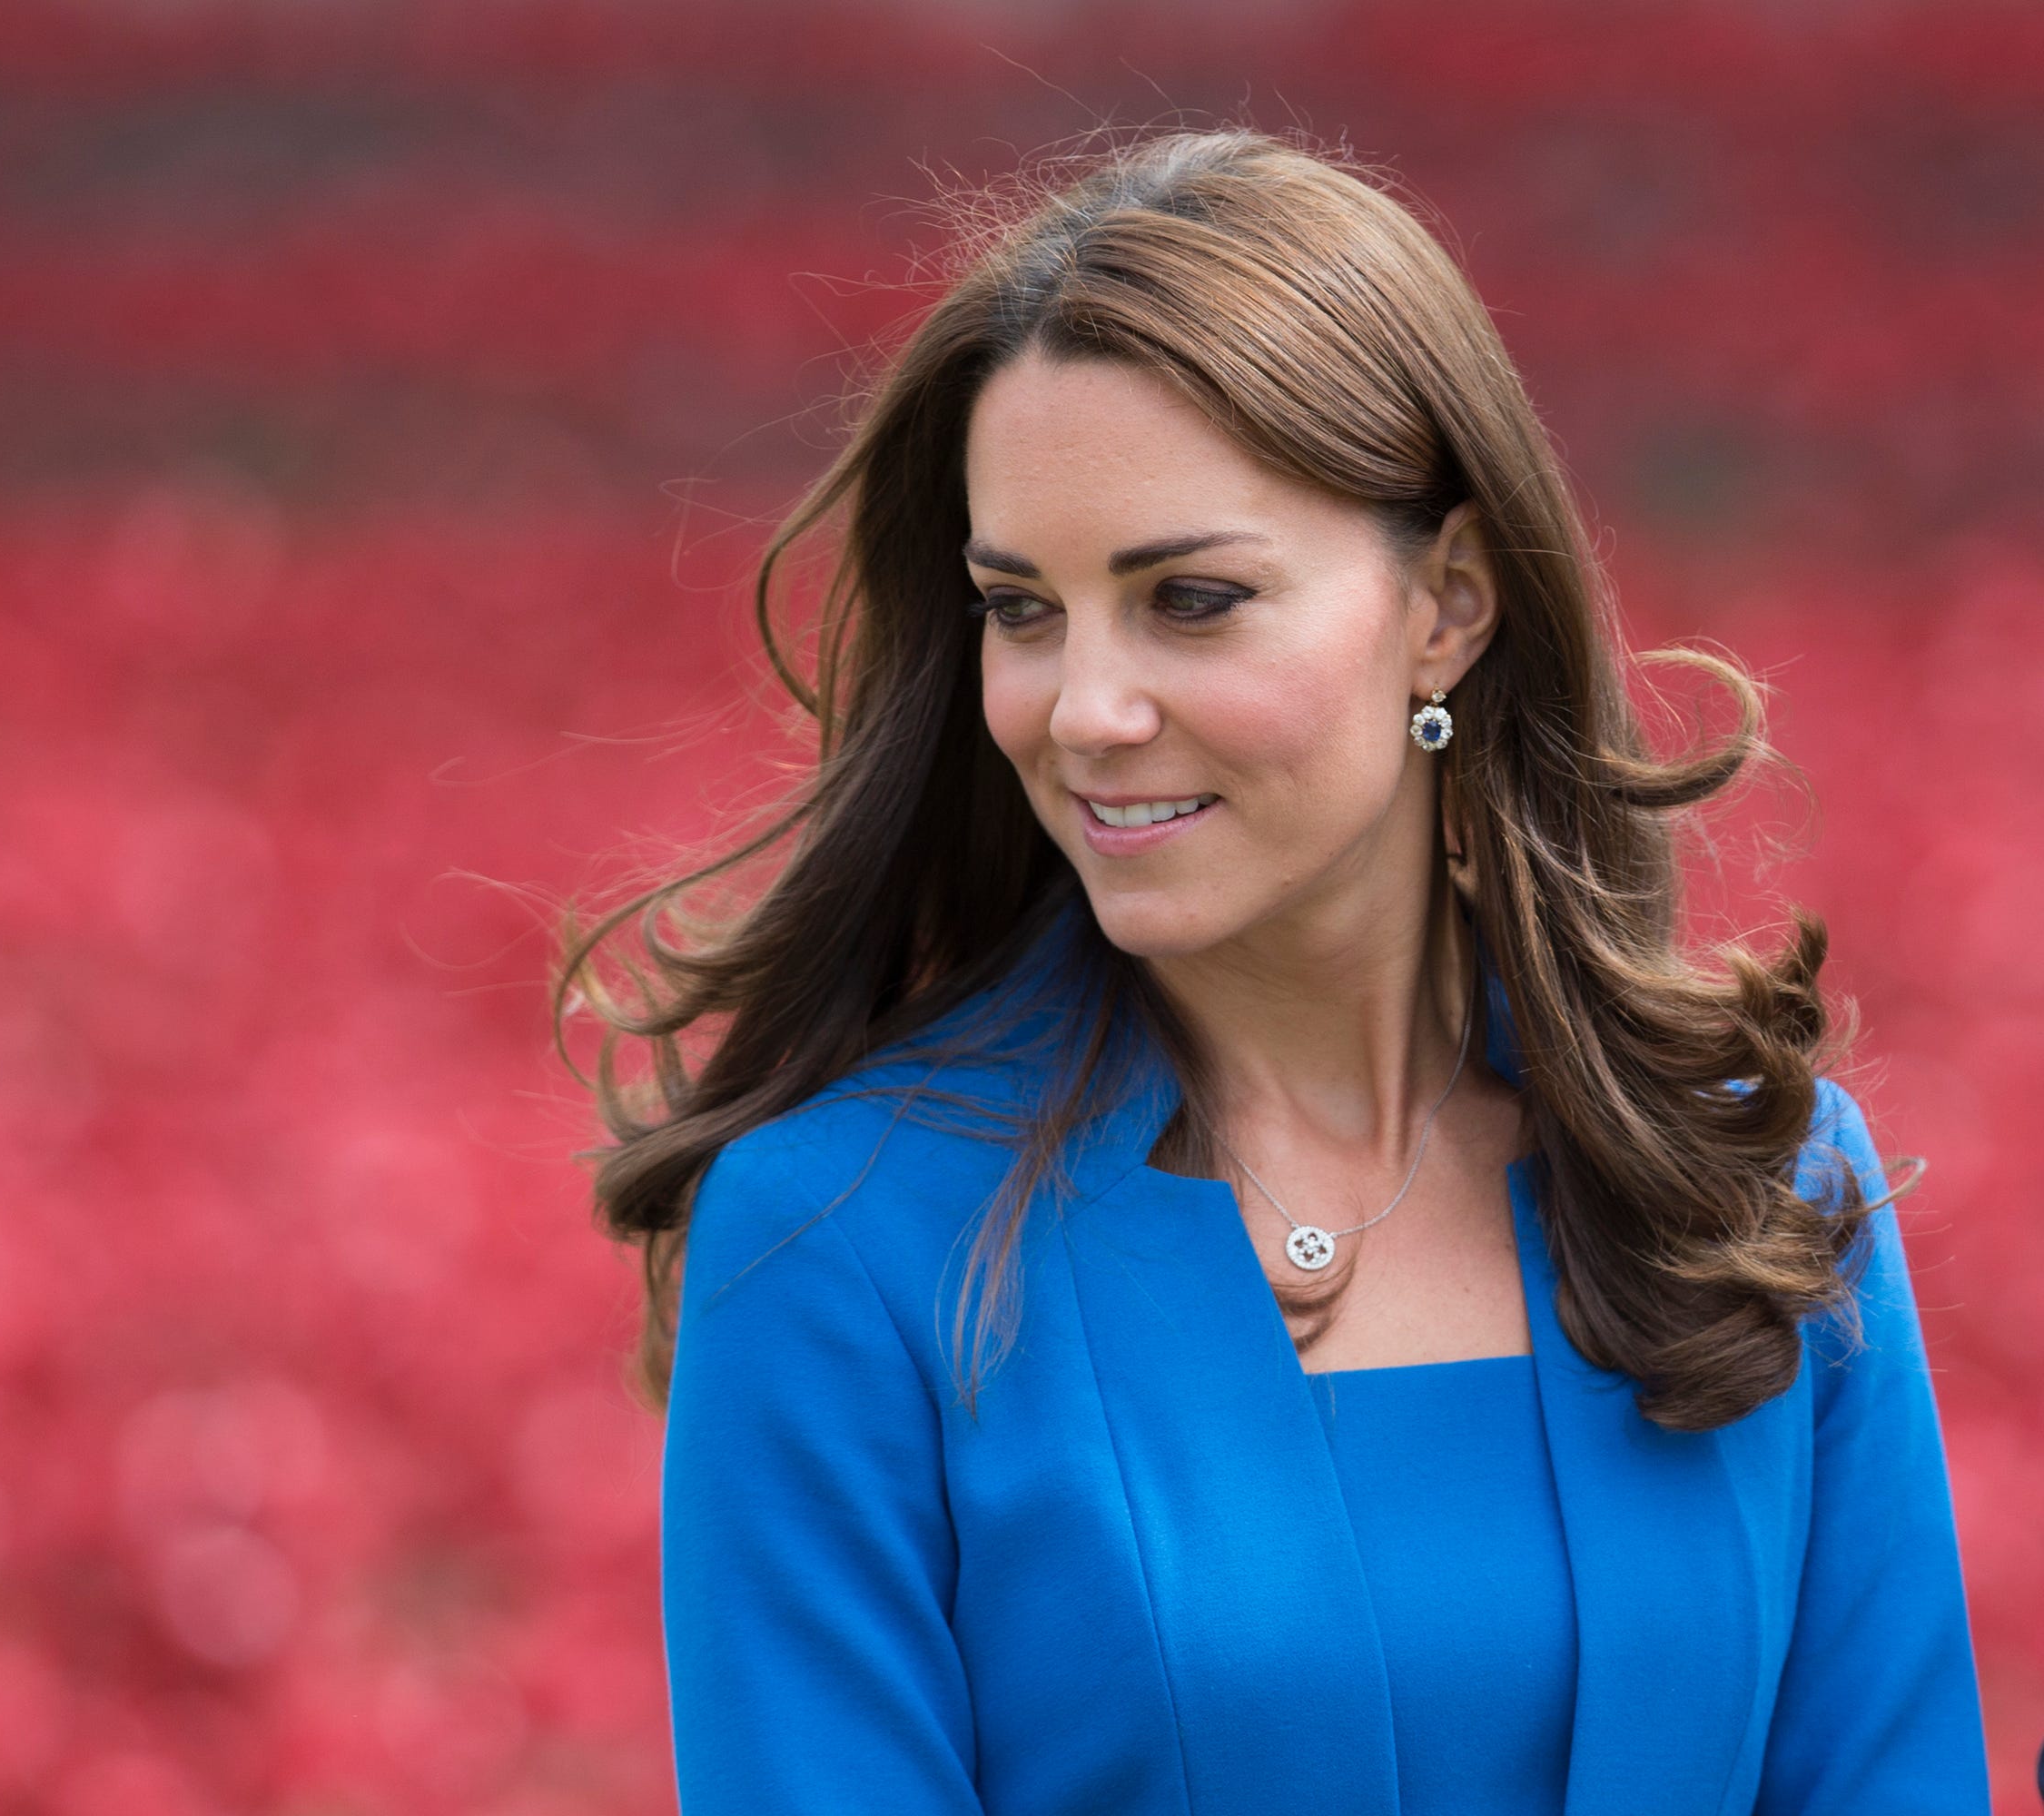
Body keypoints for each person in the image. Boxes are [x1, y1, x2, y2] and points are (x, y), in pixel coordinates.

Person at [554, 128, 1989, 1813]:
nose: (1083, 709)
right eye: (1023, 610)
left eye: (1192, 600)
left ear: (1448, 602)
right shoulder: (843, 1248)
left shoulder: (1749, 1186)